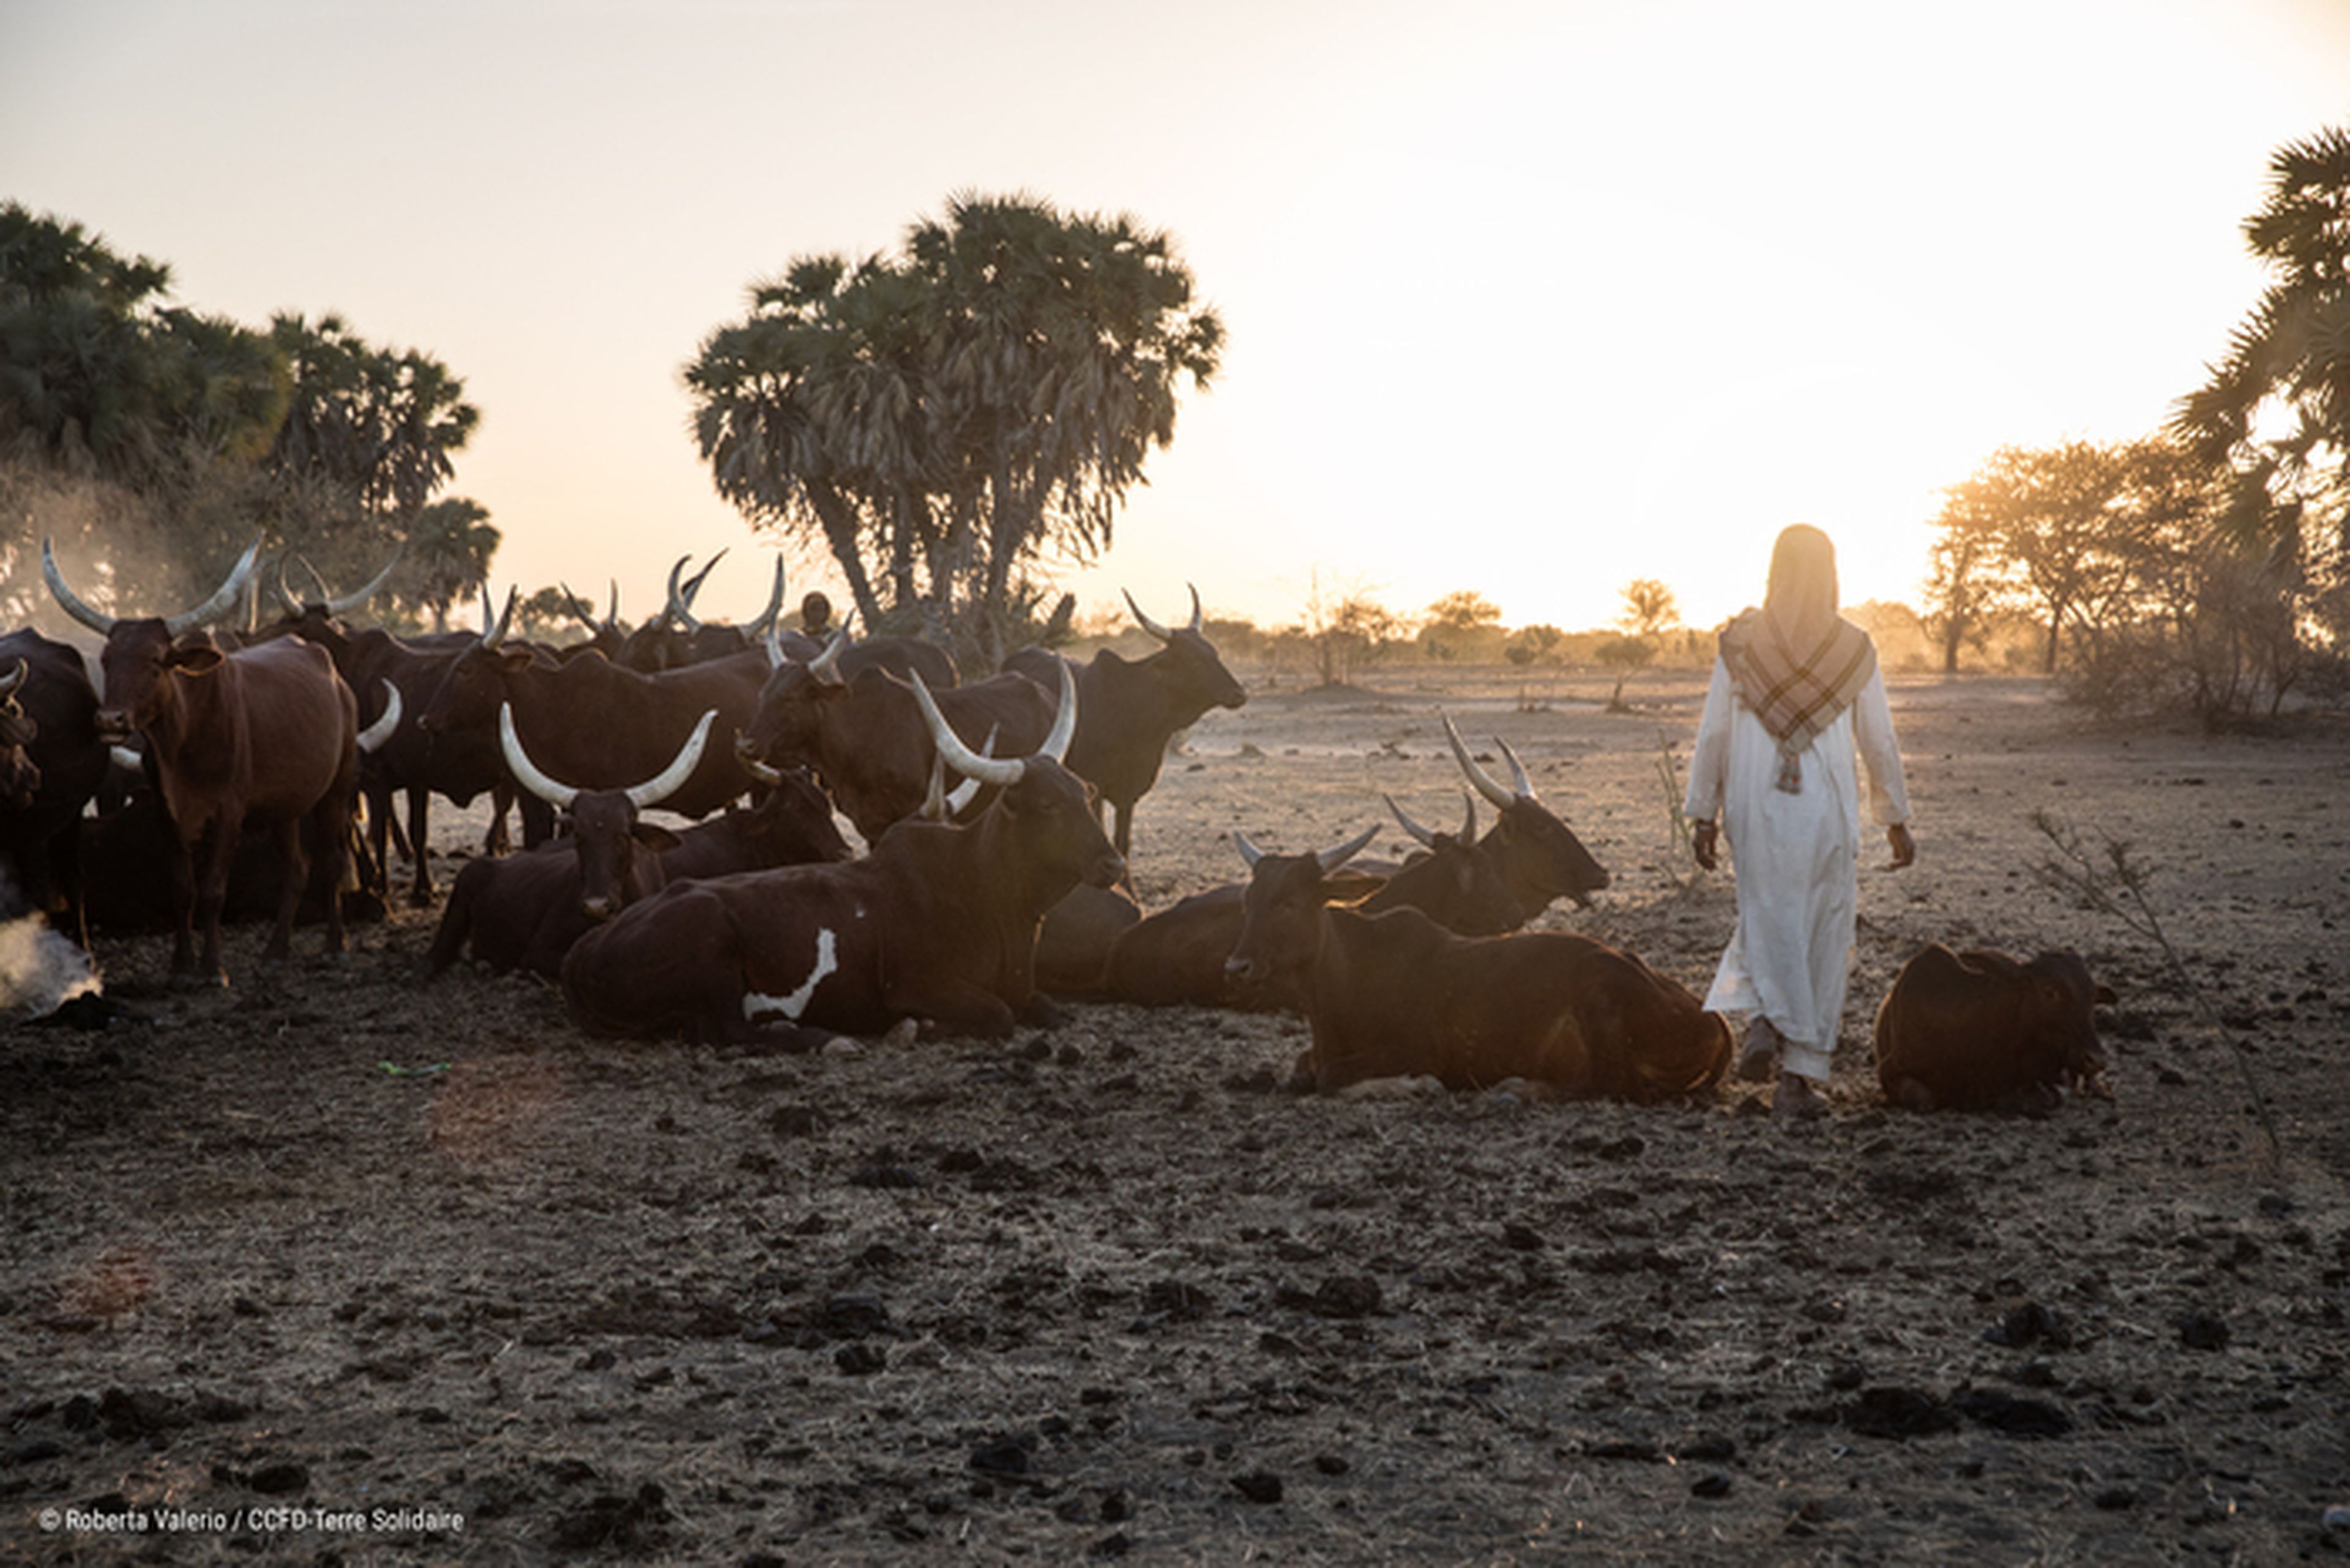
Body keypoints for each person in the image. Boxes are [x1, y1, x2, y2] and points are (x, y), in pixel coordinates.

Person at [1682, 525, 1915, 1119]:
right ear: (1831, 574)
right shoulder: (1852, 649)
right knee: (1820, 931)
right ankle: (1796, 1079)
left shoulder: (1741, 643)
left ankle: (1764, 1019)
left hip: (1753, 804)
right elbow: (1879, 740)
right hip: (1824, 810)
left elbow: (1713, 733)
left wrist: (1704, 813)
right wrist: (1894, 817)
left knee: (1766, 912)